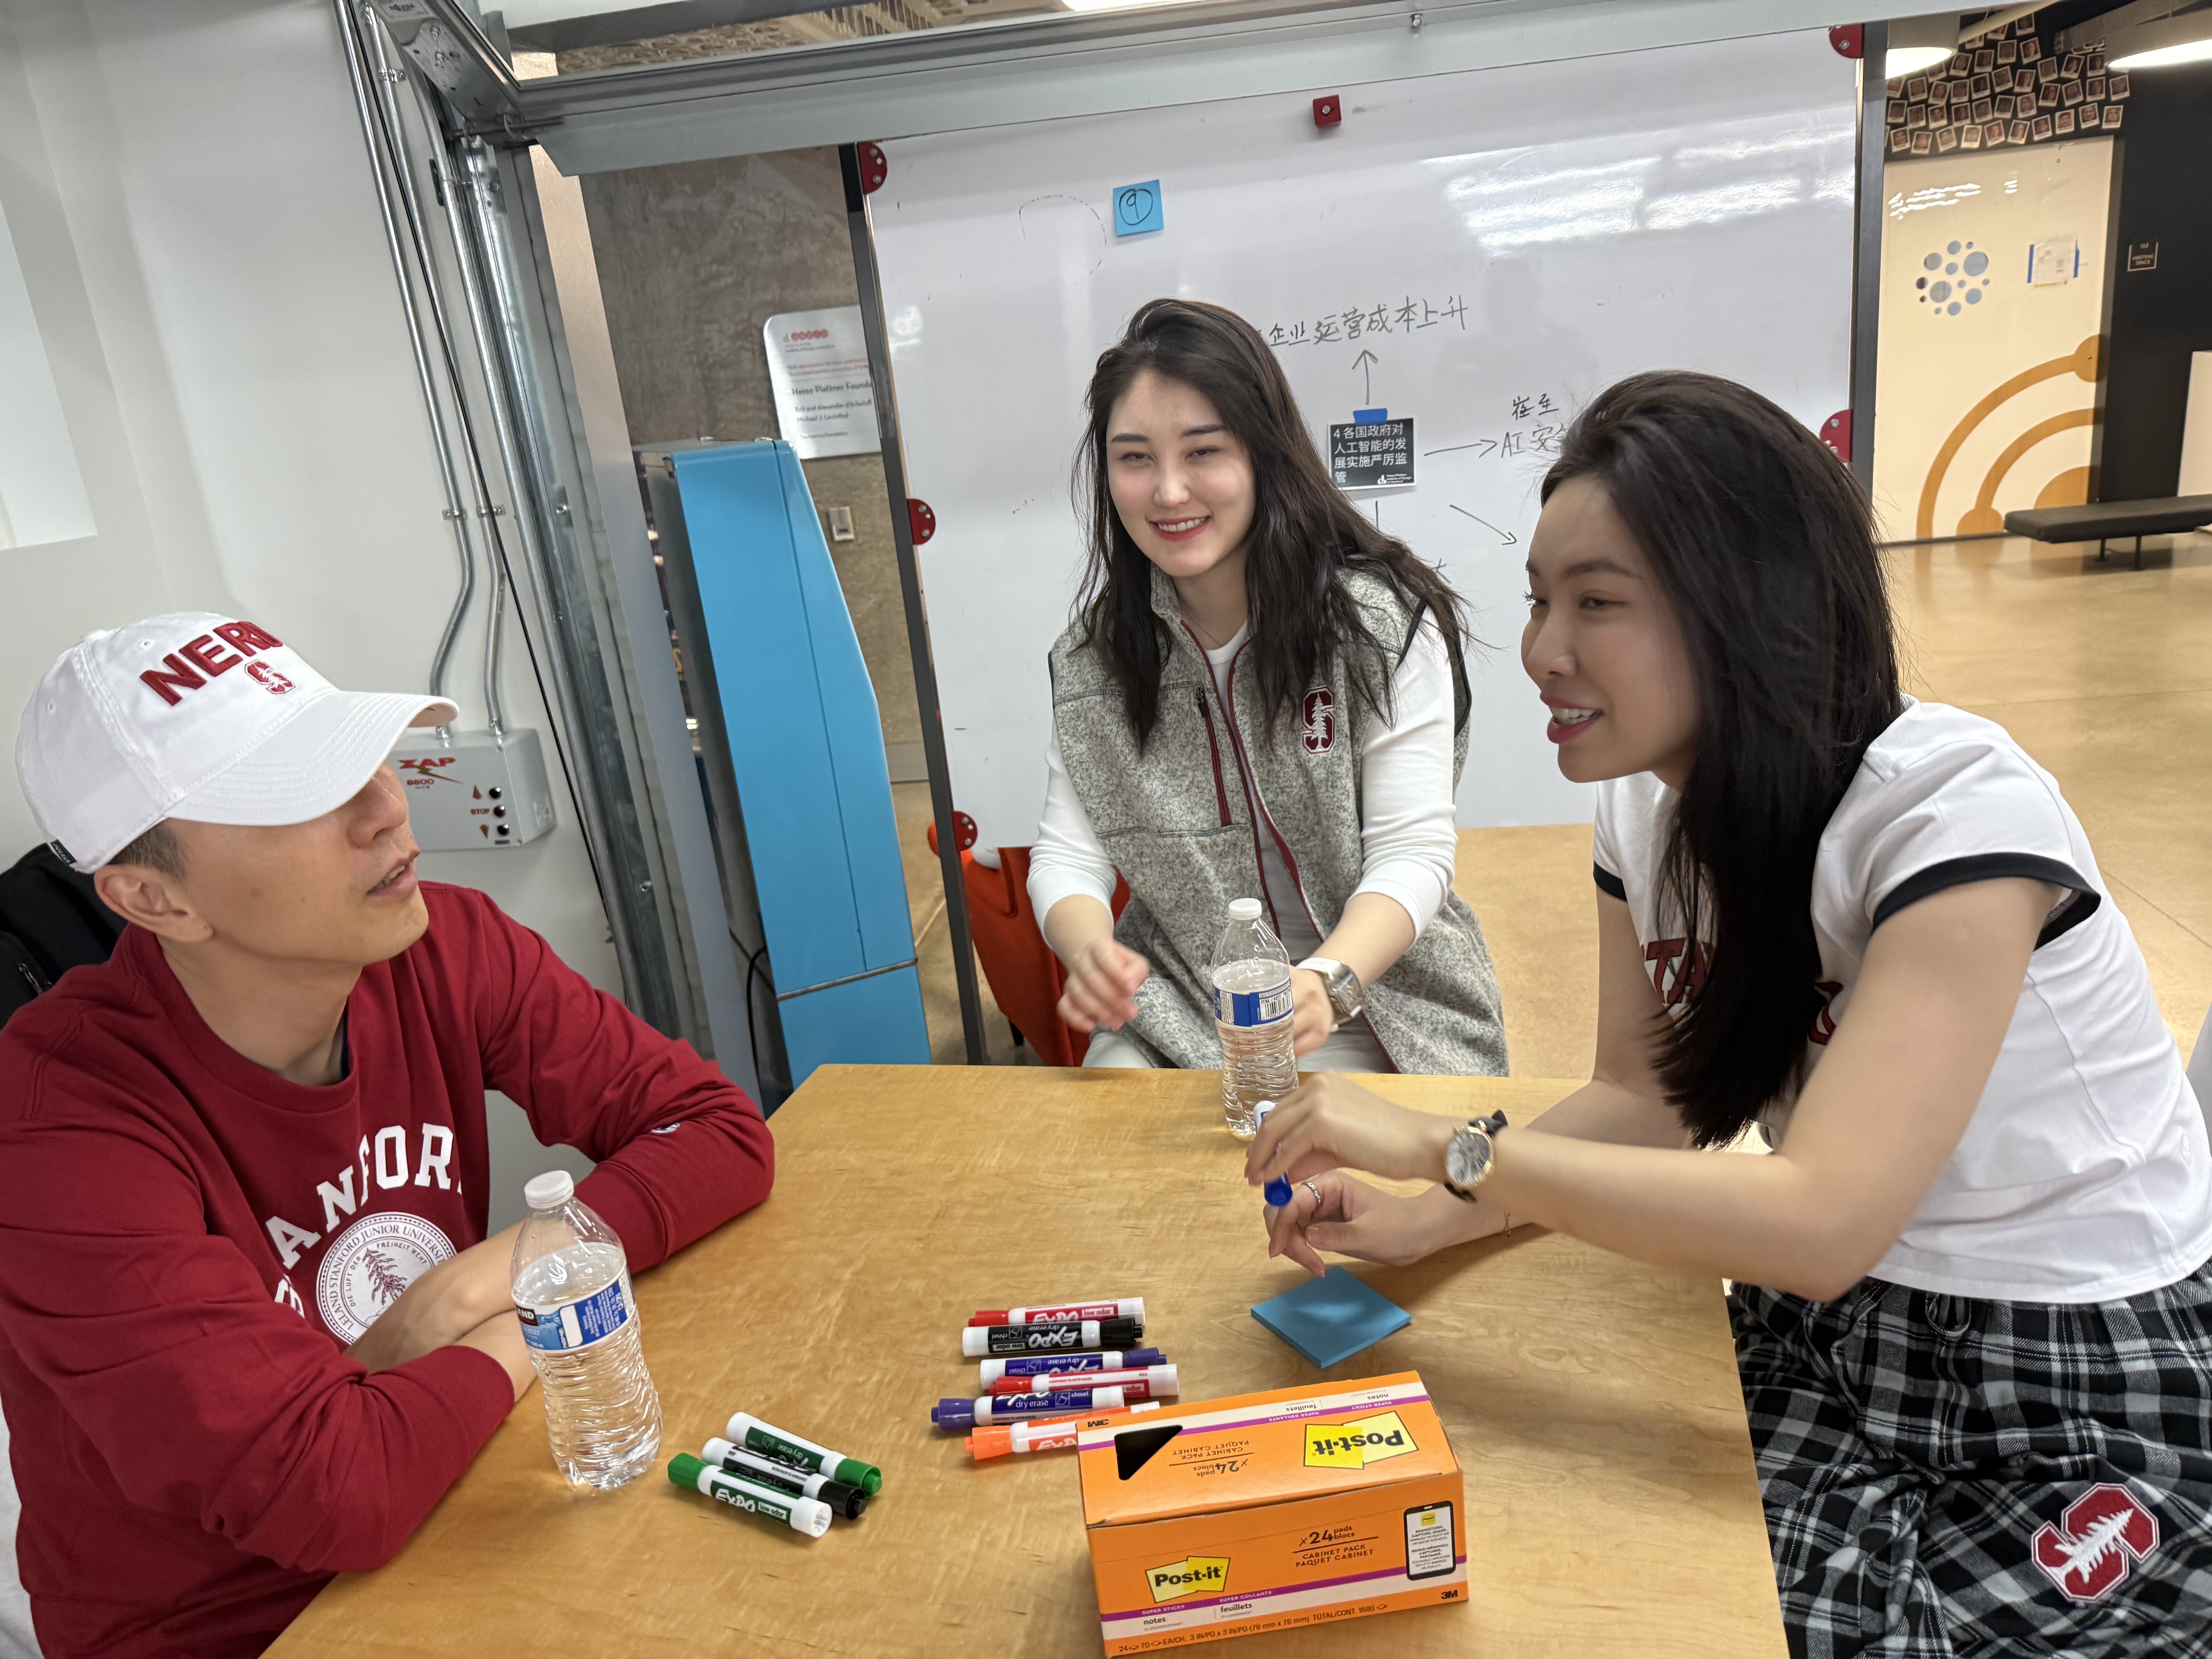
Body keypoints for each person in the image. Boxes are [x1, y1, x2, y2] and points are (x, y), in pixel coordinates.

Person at [1247, 372, 2212, 1656]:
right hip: (1834, 1329)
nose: (1542, 650)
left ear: (1747, 606)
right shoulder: (1642, 811)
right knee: (1576, 1565)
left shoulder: (1956, 814)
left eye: (1597, 603)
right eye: (1541, 599)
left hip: (2062, 1363)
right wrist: (1424, 1225)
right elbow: (1645, 1102)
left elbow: (1820, 1218)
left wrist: (1437, 1144)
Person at [0, 615, 775, 1659]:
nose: (384, 808)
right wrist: (547, 1320)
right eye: (300, 798)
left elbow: (718, 1131)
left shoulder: (445, 944)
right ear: (154, 897)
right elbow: (336, 1489)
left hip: (456, 1502)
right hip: (239, 1619)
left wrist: (476, 1285)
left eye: (364, 756)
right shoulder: (55, 1125)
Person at [1031, 299, 1508, 1077]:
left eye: (1203, 452)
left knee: (1353, 1186)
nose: (1170, 492)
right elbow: (1066, 857)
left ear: (1262, 453)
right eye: (1135, 458)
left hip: (1376, 1007)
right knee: (1112, 1159)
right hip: (1181, 1013)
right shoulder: (1094, 665)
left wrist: (1326, 982)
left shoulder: (1379, 627)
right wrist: (1089, 951)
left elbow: (1412, 853)